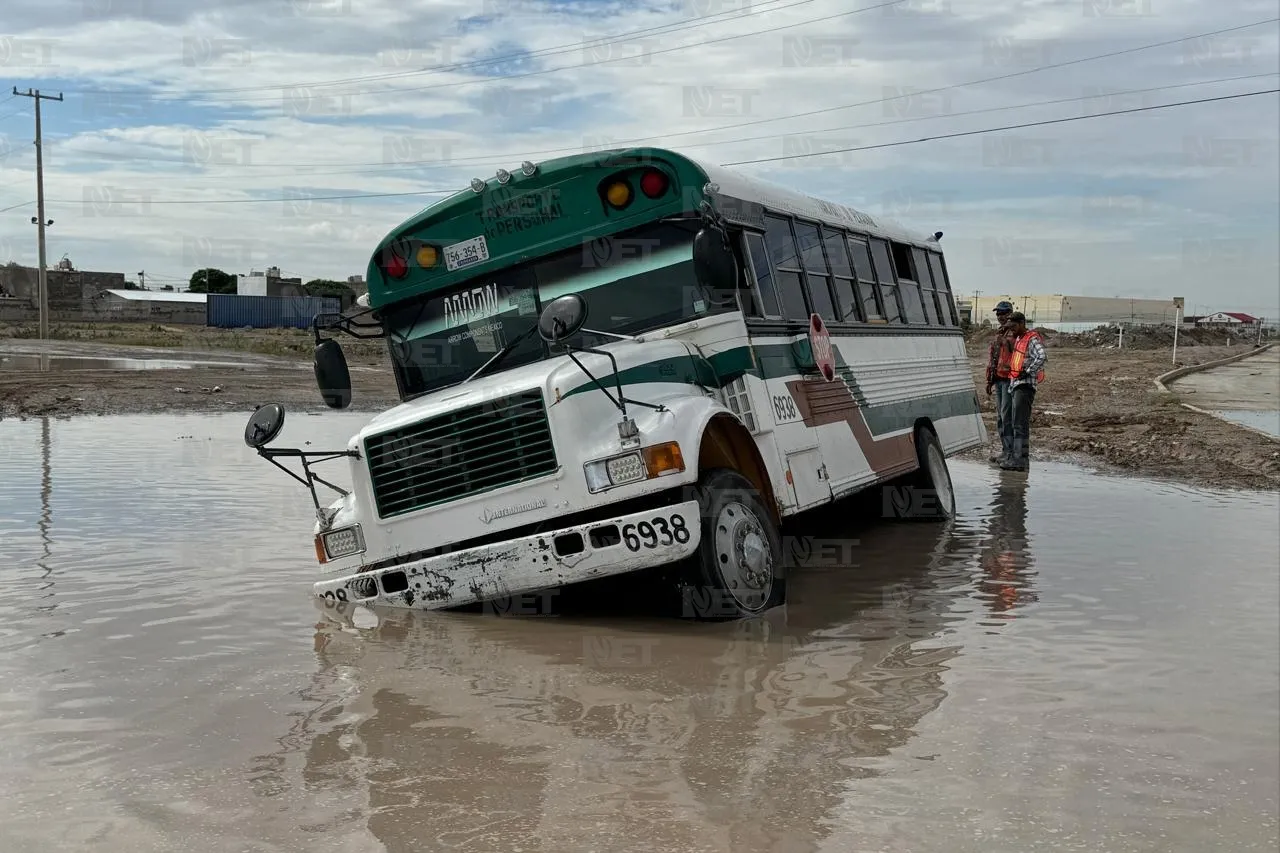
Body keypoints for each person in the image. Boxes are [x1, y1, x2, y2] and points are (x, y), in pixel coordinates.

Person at [1002, 311, 1046, 471]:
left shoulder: (1031, 338)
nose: (1011, 329)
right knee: (1016, 423)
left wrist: (1028, 371)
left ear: (1021, 323)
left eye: (1013, 326)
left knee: (1020, 424)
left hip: (1024, 386)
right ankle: (1017, 458)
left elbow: (1041, 356)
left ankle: (1020, 460)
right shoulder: (1020, 339)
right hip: (1017, 385)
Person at [984, 301, 1016, 465]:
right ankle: (1006, 451)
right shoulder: (1001, 333)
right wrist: (990, 380)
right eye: (998, 314)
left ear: (1010, 313)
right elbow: (994, 359)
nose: (1000, 316)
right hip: (999, 380)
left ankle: (1011, 453)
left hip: (1010, 380)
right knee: (1001, 418)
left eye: (1003, 313)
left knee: (1007, 417)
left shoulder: (1014, 333)